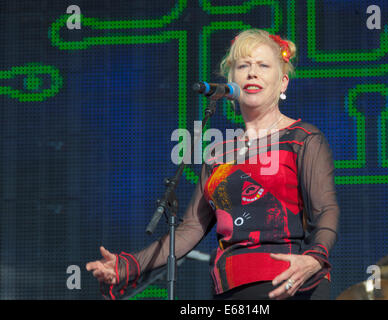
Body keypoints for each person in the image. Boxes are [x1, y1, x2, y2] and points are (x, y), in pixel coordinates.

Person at [86, 29, 340, 300]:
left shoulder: (303, 139)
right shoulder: (218, 154)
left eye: (264, 65)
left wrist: (315, 258)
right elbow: (191, 227)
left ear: (283, 83)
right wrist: (128, 266)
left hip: (292, 282)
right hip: (231, 288)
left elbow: (325, 207)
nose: (252, 73)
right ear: (231, 83)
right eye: (243, 66)